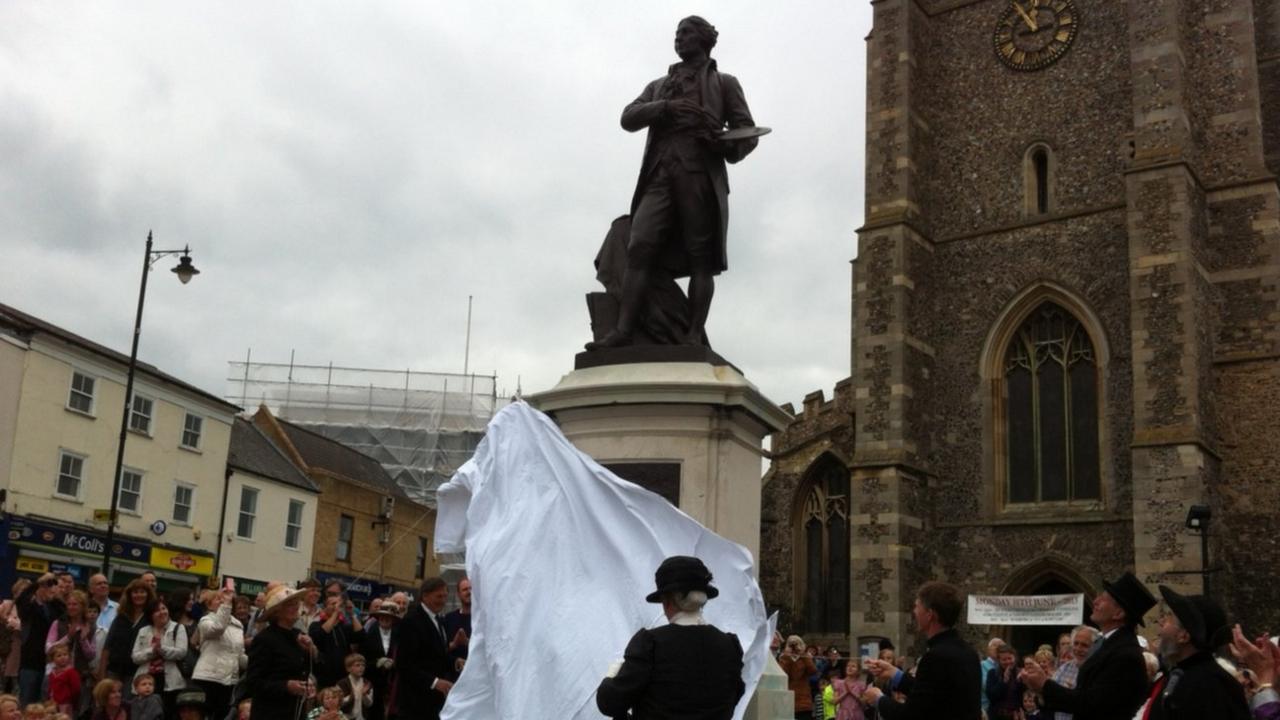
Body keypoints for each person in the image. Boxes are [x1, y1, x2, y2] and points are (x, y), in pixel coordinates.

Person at [585, 15, 758, 350]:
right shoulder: (658, 86)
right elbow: (628, 117)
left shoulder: (724, 82)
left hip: (698, 176)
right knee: (639, 246)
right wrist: (665, 107)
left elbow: (747, 133)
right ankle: (623, 330)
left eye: (686, 33)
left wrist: (720, 143)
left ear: (705, 39)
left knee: (700, 259)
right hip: (660, 175)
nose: (678, 39)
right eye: (676, 34)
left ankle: (694, 335)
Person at [596, 556, 745, 720]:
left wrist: (610, 678)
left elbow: (610, 703)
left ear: (667, 601)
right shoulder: (729, 645)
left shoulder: (650, 643)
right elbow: (734, 697)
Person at [1020, 571, 1157, 720]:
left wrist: (1044, 684)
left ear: (1118, 613)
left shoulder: (1124, 655)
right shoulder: (1107, 645)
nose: (1096, 601)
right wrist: (1041, 689)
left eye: (1103, 599)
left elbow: (1091, 704)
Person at [861, 581, 982, 719]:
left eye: (917, 606)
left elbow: (911, 715)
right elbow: (932, 694)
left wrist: (879, 699)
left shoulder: (936, 657)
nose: (914, 611)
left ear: (929, 614)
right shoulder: (968, 651)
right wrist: (894, 674)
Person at [1143, 585, 1249, 719]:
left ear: (1183, 636)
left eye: (1169, 618)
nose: (1161, 622)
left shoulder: (1209, 687)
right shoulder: (1180, 675)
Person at [242, 583, 315, 720]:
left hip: (295, 711)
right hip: (270, 713)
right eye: (290, 604)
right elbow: (253, 682)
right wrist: (285, 686)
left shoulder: (299, 636)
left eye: (296, 603)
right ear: (277, 611)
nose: (296, 607)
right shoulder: (264, 639)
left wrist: (308, 682)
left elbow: (306, 669)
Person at [394, 578, 454, 720]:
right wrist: (434, 682)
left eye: (445, 596)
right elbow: (404, 665)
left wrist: (455, 661)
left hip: (434, 703)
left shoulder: (438, 620)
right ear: (425, 595)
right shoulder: (411, 621)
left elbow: (437, 655)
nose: (443, 601)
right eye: (439, 596)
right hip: (414, 703)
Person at [191, 587, 247, 720]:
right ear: (209, 605)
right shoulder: (205, 621)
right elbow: (218, 628)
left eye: (226, 599)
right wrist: (226, 605)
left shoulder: (238, 625)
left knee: (222, 715)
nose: (222, 600)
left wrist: (256, 662)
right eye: (218, 599)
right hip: (208, 678)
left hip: (229, 680)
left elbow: (239, 655)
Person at [15, 573, 66, 705]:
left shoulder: (55, 607)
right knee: (27, 704)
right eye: (47, 586)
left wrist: (56, 597)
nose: (51, 589)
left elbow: (67, 611)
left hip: (51, 665)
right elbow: (20, 600)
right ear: (39, 588)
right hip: (31, 664)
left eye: (53, 586)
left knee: (46, 705)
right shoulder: (29, 608)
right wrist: (37, 583)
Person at [130, 599, 187, 715]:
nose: (162, 612)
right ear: (151, 615)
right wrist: (152, 651)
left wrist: (162, 649)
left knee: (167, 714)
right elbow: (135, 657)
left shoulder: (178, 628)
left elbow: (181, 652)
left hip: (170, 681)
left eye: (164, 608)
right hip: (147, 679)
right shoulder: (143, 631)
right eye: (157, 611)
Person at [100, 580, 155, 687]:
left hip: (138, 673)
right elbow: (108, 645)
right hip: (114, 670)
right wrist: (101, 674)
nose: (139, 595)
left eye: (142, 592)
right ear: (130, 595)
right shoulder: (121, 617)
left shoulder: (151, 619)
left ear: (148, 595)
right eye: (135, 592)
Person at [44, 590, 96, 697]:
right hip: (57, 675)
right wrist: (68, 637)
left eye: (75, 604)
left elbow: (91, 655)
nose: (71, 607)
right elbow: (48, 649)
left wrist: (83, 639)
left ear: (83, 606)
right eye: (69, 604)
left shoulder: (90, 626)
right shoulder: (58, 623)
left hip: (79, 675)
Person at [309, 589, 364, 690]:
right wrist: (335, 614)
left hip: (343, 678)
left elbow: (360, 636)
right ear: (324, 608)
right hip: (324, 677)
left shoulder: (344, 626)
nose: (336, 606)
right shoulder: (315, 625)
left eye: (338, 604)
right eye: (332, 604)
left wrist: (352, 614)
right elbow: (319, 636)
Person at [357, 604, 398, 720]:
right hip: (373, 681)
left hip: (392, 682)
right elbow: (361, 658)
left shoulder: (400, 635)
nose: (385, 619)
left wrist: (394, 663)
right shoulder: (368, 634)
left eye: (388, 617)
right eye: (382, 616)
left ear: (394, 619)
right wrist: (377, 662)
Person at [1049, 625, 1097, 720]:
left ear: (1095, 647)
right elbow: (1051, 697)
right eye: (1076, 644)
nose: (1078, 649)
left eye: (1084, 645)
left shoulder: (1101, 669)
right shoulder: (1065, 668)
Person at [777, 635, 817, 720]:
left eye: (797, 644)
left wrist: (802, 653)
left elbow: (813, 671)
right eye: (791, 644)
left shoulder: (805, 658)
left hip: (804, 702)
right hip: (788, 701)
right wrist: (787, 656)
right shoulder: (784, 658)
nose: (794, 647)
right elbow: (782, 674)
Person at [441, 578, 471, 675]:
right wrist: (454, 643)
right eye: (465, 589)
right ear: (458, 594)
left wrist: (468, 642)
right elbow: (439, 649)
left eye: (471, 589)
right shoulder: (449, 618)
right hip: (452, 675)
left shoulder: (483, 620)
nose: (469, 592)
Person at [986, 643, 1023, 719]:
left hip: (1015, 716)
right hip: (997, 716)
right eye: (1004, 660)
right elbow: (991, 696)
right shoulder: (992, 673)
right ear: (999, 660)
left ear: (1015, 658)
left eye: (1010, 658)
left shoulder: (1021, 673)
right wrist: (1004, 681)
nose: (1008, 662)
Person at [45, 646, 79, 717]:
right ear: (53, 659)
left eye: (65, 654)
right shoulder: (52, 673)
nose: (63, 657)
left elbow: (76, 689)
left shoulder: (71, 672)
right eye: (59, 656)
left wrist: (71, 701)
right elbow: (50, 688)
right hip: (53, 704)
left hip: (65, 704)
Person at [337, 654, 372, 720]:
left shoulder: (367, 683)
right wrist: (351, 696)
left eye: (363, 665)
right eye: (357, 665)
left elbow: (369, 704)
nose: (361, 667)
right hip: (346, 717)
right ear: (348, 668)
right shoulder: (341, 684)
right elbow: (338, 702)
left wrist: (364, 695)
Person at [981, 638, 1003, 720]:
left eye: (1001, 646)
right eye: (995, 645)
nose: (998, 648)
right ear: (988, 649)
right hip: (983, 710)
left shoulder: (1006, 667)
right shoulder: (980, 666)